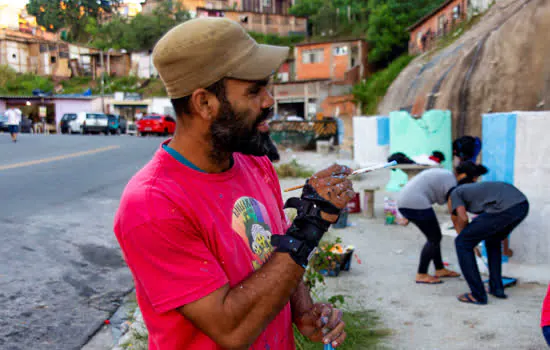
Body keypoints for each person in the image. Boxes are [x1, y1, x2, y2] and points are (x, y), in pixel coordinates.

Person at [114, 18, 355, 350]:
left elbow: (276, 251)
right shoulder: (152, 205)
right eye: (254, 91)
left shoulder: (254, 163)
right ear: (204, 104)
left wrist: (302, 309)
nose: (269, 101)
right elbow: (230, 331)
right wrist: (311, 223)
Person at [397, 161, 488, 284]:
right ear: (463, 175)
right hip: (415, 203)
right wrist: (467, 238)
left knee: (435, 236)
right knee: (434, 238)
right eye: (472, 179)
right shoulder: (451, 184)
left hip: (410, 201)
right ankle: (421, 274)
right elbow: (455, 215)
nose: (473, 183)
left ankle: (439, 269)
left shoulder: (447, 177)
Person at [448, 181, 529, 305]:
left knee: (462, 243)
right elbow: (498, 228)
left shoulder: (454, 193)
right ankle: (496, 288)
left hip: (506, 207)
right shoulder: (481, 196)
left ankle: (478, 295)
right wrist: (505, 249)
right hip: (522, 206)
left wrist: (468, 239)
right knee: (493, 240)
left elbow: (463, 218)